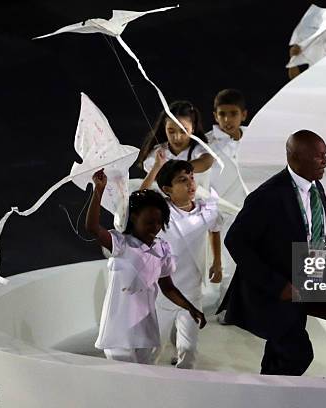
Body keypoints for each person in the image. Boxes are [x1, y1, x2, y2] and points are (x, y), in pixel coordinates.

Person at [217, 130, 326, 376]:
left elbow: (320, 231)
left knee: (281, 352)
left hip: (304, 283)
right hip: (278, 292)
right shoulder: (268, 196)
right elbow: (235, 240)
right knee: (298, 352)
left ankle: (270, 394)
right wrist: (276, 285)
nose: (325, 161)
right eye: (319, 156)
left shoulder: (316, 187)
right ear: (296, 158)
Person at [85, 169, 206, 364]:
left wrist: (190, 307)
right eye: (149, 222)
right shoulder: (121, 244)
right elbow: (92, 228)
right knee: (122, 380)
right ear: (133, 218)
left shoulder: (162, 249)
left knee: (143, 379)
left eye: (159, 222)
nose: (155, 226)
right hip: (119, 331)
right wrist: (98, 190)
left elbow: (167, 287)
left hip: (145, 329)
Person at [140, 159, 223, 369]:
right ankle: (143, 382)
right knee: (153, 346)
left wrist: (217, 263)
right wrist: (156, 168)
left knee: (189, 349)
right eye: (182, 180)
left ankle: (185, 388)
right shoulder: (161, 213)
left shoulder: (207, 210)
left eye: (192, 178)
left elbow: (215, 228)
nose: (190, 184)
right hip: (162, 294)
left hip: (192, 293)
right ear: (167, 189)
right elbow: (139, 199)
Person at [206, 89, 249, 322]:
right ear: (215, 115)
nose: (227, 120)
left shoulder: (256, 138)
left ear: (243, 114)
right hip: (222, 215)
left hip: (251, 212)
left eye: (233, 114)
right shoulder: (206, 143)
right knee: (227, 266)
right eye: (222, 114)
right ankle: (227, 310)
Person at [137, 100, 214, 190]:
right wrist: (156, 167)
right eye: (171, 131)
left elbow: (206, 161)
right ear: (164, 128)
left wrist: (173, 170)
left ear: (193, 128)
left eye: (183, 131)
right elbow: (144, 191)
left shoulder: (199, 149)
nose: (177, 137)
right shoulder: (159, 153)